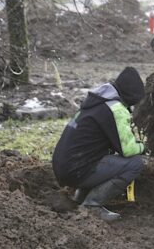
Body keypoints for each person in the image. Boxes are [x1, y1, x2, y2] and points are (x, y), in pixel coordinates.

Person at [52, 67, 146, 222]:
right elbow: (127, 149)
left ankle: (80, 197)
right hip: (76, 170)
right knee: (135, 163)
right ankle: (93, 205)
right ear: (131, 97)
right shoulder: (115, 108)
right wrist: (143, 146)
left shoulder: (96, 102)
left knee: (103, 154)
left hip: (63, 167)